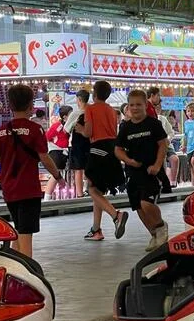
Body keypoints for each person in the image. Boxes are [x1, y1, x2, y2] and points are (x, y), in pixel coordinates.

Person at [0, 85, 65, 258]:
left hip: (9, 188)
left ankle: (15, 263)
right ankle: (27, 267)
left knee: (19, 228)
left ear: (10, 106)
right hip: (28, 189)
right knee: (25, 234)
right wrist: (58, 176)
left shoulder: (2, 131)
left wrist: (10, 157)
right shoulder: (35, 129)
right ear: (31, 105)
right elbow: (44, 157)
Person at [115, 90, 169, 252]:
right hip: (133, 173)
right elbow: (118, 149)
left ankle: (160, 226)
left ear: (146, 105)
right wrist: (129, 161)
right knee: (138, 206)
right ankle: (154, 234)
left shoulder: (154, 124)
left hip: (151, 171)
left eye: (138, 104)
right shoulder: (125, 127)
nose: (135, 108)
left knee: (146, 203)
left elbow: (163, 144)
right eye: (132, 105)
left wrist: (157, 165)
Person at [76, 80, 128, 242]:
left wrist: (80, 129)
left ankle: (116, 215)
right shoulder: (112, 110)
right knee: (98, 191)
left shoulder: (90, 109)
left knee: (91, 189)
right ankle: (96, 229)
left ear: (94, 93)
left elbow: (88, 132)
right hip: (112, 149)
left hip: (98, 149)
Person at [147, 87, 173, 193]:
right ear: (152, 95)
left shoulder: (150, 108)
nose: (159, 98)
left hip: (152, 140)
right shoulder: (148, 108)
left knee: (155, 164)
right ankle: (165, 185)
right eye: (158, 95)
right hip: (152, 140)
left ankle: (164, 185)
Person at [64, 90, 91, 198]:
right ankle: (89, 190)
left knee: (78, 170)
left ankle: (80, 194)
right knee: (89, 168)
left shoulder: (76, 113)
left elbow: (66, 129)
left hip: (78, 144)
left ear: (79, 99)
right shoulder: (92, 112)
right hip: (90, 143)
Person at [44, 106, 72, 199]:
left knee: (63, 174)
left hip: (65, 152)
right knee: (56, 175)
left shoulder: (69, 125)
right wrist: (55, 144)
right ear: (64, 116)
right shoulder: (58, 126)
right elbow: (47, 136)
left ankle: (65, 196)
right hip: (57, 152)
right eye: (70, 114)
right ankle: (47, 197)